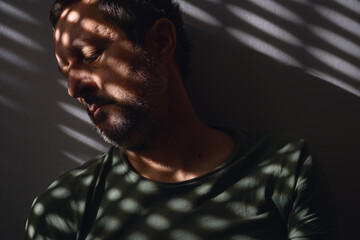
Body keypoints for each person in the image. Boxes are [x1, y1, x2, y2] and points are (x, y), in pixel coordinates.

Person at [25, 0, 337, 239]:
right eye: (66, 72)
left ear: (160, 41)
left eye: (91, 54)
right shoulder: (62, 209)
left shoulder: (285, 169)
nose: (73, 87)